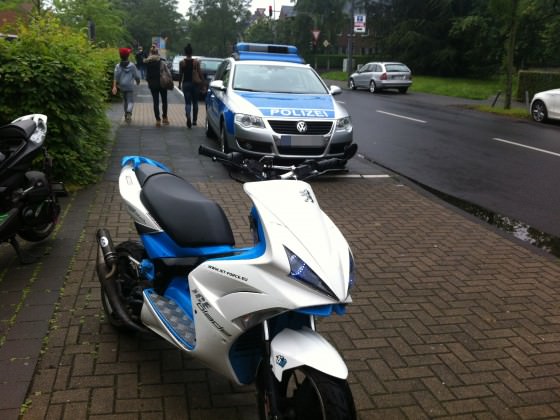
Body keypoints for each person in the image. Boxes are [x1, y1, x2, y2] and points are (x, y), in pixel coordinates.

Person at [178, 43, 204, 128]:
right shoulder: (196, 62)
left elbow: (180, 74)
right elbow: (200, 73)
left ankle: (188, 115)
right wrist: (203, 83)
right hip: (195, 84)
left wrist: (179, 84)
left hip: (186, 84)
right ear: (191, 53)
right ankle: (194, 121)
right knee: (195, 102)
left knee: (188, 102)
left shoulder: (182, 62)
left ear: (185, 53)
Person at [112, 47, 140, 122]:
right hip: (129, 86)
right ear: (128, 56)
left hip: (122, 86)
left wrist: (114, 86)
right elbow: (136, 76)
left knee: (125, 100)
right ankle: (128, 112)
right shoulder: (132, 65)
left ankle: (125, 114)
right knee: (130, 101)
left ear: (120, 56)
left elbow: (115, 77)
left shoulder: (118, 66)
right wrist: (138, 81)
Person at [144, 46, 169, 127]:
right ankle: (164, 118)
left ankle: (158, 120)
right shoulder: (162, 62)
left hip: (153, 84)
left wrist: (149, 82)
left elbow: (147, 76)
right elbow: (167, 72)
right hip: (162, 83)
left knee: (155, 102)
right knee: (164, 101)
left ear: (151, 53)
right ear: (157, 53)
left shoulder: (147, 63)